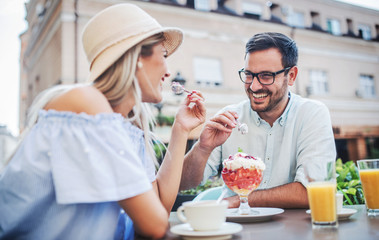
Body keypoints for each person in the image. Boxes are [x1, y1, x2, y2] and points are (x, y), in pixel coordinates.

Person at [0, 4, 205, 240]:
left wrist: (180, 129)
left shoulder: (126, 128)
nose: (169, 72)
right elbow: (155, 226)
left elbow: (158, 209)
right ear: (138, 56)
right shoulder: (86, 104)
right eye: (164, 55)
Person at [180, 32, 336, 209]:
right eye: (248, 75)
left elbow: (312, 191)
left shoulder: (312, 114)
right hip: (237, 229)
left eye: (266, 76)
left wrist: (240, 201)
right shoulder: (229, 117)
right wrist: (203, 148)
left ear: (291, 76)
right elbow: (184, 183)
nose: (254, 86)